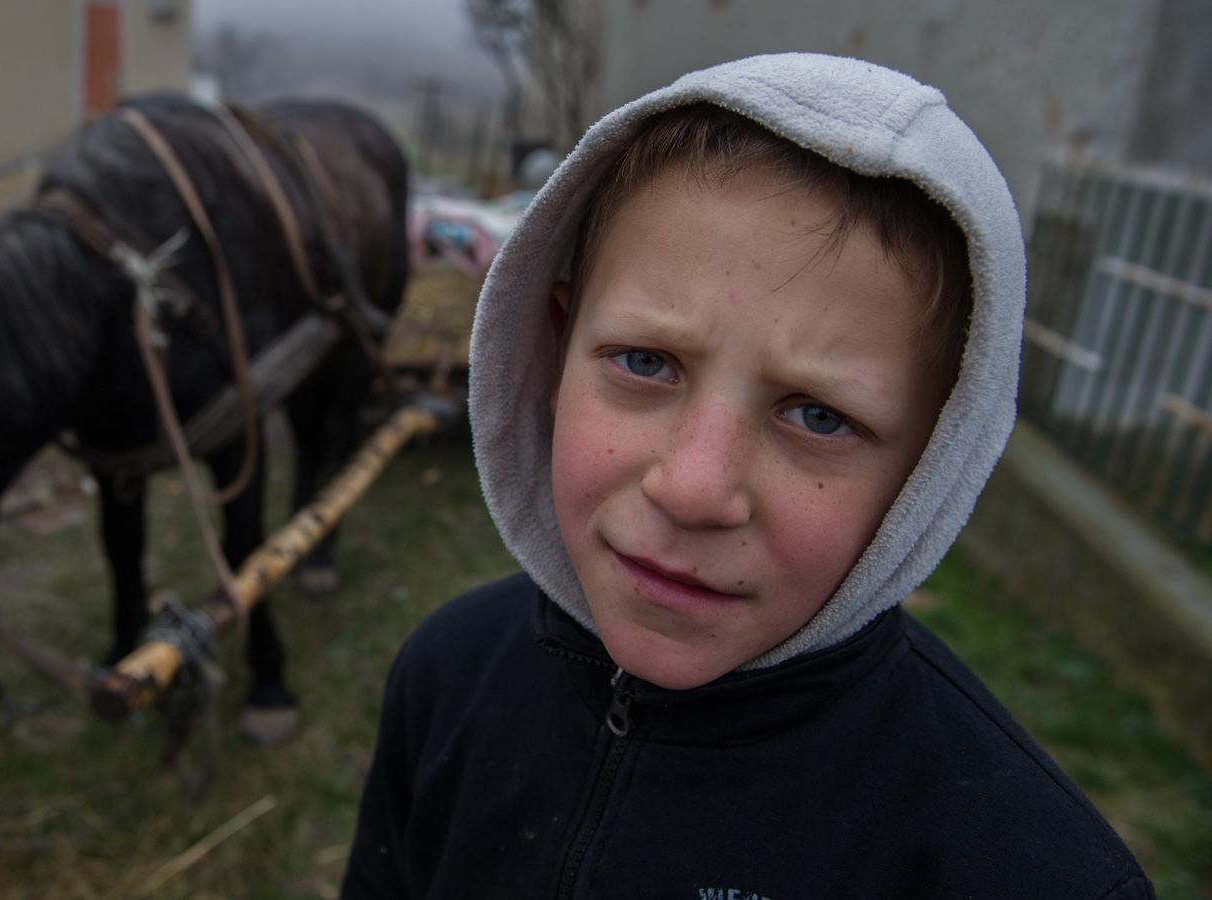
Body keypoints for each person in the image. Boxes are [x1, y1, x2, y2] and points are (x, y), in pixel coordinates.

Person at [342, 53, 1153, 898]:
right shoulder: (446, 675)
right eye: (646, 362)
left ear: (931, 462)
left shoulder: (1028, 871)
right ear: (555, 348)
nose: (693, 490)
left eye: (819, 416)